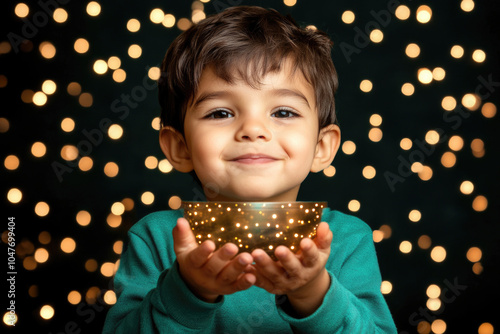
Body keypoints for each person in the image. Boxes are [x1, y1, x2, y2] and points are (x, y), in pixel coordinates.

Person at [103, 6, 397, 333]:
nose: (253, 129)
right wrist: (187, 290)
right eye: (220, 113)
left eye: (283, 112)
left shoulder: (347, 240)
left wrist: (312, 292)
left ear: (322, 147)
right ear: (180, 148)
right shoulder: (156, 238)